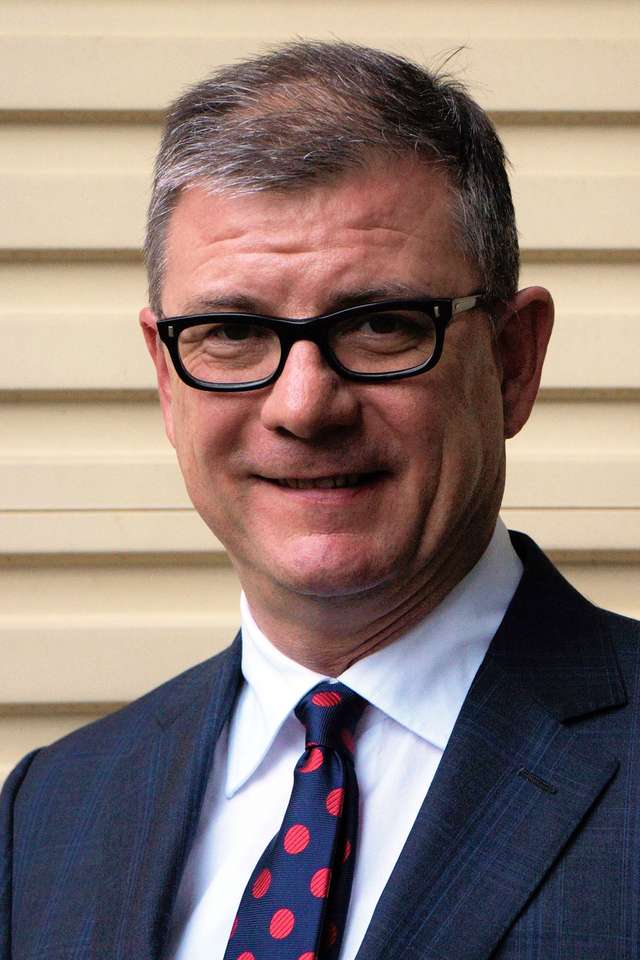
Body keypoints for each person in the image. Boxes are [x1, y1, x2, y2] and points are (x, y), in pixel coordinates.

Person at [1, 40, 638, 960]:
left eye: (381, 324)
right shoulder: (54, 809)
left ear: (511, 362)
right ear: (165, 381)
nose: (304, 407)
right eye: (231, 332)